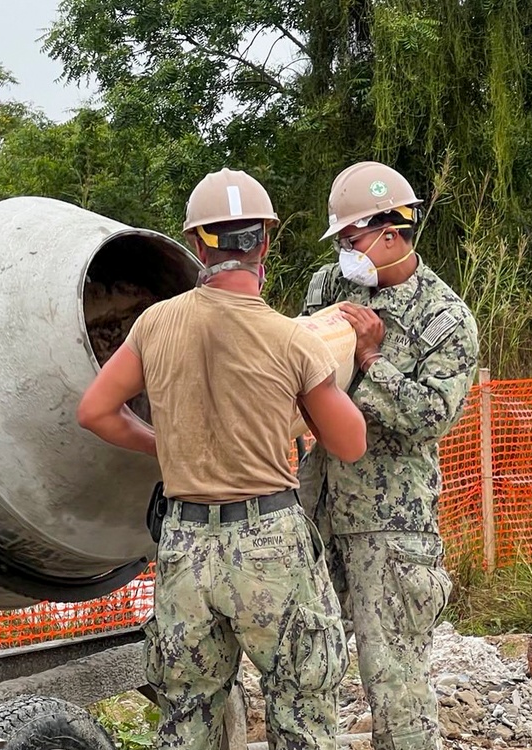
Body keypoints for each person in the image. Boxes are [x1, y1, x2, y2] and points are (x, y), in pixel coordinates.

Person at [77, 167, 368, 750]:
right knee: (302, 712)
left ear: (196, 242)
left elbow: (96, 411)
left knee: (186, 718)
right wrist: (359, 358)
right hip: (270, 543)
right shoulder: (291, 340)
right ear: (265, 240)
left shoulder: (155, 325)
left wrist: (166, 444)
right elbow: (351, 443)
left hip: (184, 544)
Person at [300, 161, 479, 750]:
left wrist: (375, 361)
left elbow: (431, 419)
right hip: (314, 504)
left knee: (393, 679)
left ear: (390, 231)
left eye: (352, 240)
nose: (346, 252)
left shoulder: (446, 318)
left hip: (390, 525)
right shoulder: (330, 288)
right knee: (306, 665)